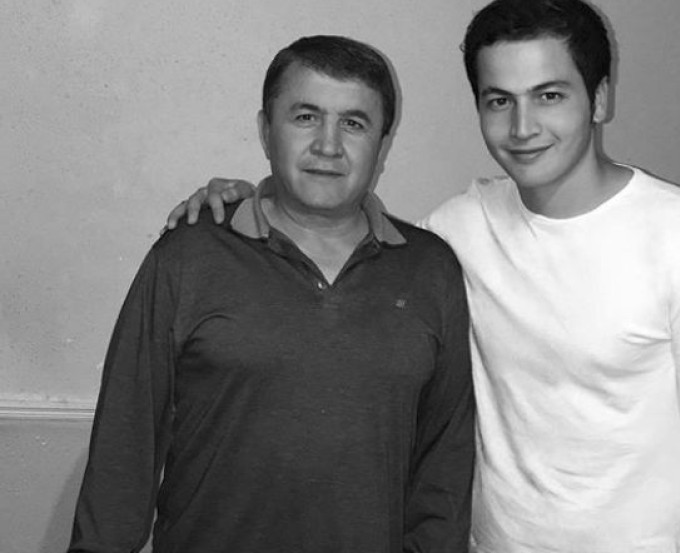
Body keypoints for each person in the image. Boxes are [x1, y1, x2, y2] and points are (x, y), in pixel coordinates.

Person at [168, 0, 680, 551]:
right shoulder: (458, 232)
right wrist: (248, 203)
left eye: (549, 95)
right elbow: (346, 239)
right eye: (499, 100)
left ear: (600, 98)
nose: (523, 127)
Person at [69, 35, 475, 553]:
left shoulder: (431, 269)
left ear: (382, 144)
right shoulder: (188, 256)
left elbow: (444, 466)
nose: (328, 145)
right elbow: (124, 445)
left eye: (354, 123)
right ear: (265, 130)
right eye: (305, 117)